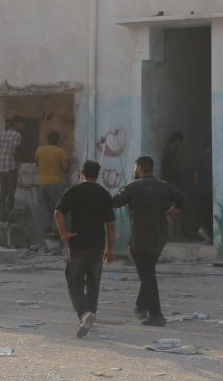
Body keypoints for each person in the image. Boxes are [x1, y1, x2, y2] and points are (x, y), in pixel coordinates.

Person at [110, 156, 186, 327]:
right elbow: (181, 198)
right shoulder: (164, 186)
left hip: (140, 238)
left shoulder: (132, 187)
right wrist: (170, 214)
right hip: (159, 237)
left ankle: (156, 315)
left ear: (138, 168)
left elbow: (114, 202)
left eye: (135, 167)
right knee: (148, 272)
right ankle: (141, 306)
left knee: (147, 276)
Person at [55, 160, 116, 338]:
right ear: (98, 175)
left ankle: (84, 314)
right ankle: (91, 315)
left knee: (74, 282)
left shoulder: (73, 191)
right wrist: (110, 248)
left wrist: (63, 234)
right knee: (93, 283)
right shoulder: (104, 194)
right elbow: (110, 225)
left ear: (81, 172)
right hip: (97, 245)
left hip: (77, 243)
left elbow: (58, 212)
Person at [33, 131, 70, 243]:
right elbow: (65, 168)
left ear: (47, 139)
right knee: (56, 208)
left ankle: (46, 232)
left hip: (42, 183)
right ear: (58, 140)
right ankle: (55, 232)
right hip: (56, 183)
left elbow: (37, 163)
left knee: (44, 208)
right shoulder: (61, 152)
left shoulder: (39, 150)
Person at [0, 116, 24, 222]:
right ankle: (9, 217)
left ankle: (1, 217)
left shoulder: (1, 134)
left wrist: (1, 159)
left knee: (3, 192)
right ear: (16, 124)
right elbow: (14, 151)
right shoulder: (17, 135)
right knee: (11, 193)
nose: (23, 126)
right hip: (11, 167)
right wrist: (17, 161)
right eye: (21, 124)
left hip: (2, 168)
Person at [161, 131, 186, 238]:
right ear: (175, 141)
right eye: (179, 142)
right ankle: (172, 235)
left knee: (175, 210)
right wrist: (179, 157)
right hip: (171, 186)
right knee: (173, 210)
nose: (180, 144)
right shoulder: (170, 154)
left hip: (172, 186)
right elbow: (175, 169)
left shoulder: (168, 152)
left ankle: (174, 235)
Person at [189, 143, 213, 244]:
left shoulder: (200, 158)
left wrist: (196, 189)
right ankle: (211, 235)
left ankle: (205, 233)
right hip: (212, 190)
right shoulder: (214, 156)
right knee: (211, 213)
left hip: (202, 190)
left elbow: (196, 176)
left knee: (204, 213)